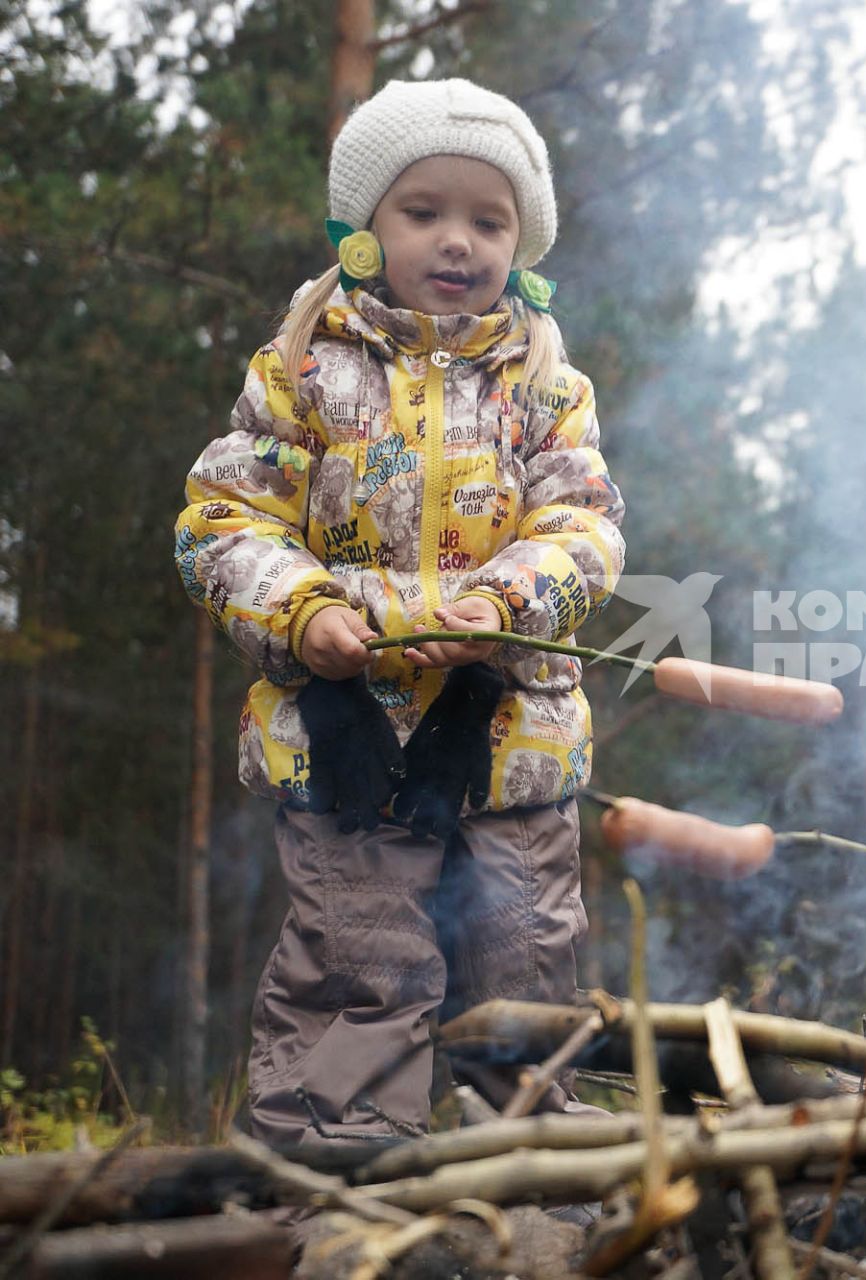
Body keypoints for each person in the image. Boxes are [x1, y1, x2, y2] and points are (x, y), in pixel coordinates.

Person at [174, 78, 625, 1152]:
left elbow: (586, 528)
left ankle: (525, 1184)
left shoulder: (546, 384)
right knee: (359, 966)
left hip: (510, 742)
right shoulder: (301, 370)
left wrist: (502, 601)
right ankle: (337, 1187)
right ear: (366, 229)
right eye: (425, 210)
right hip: (347, 744)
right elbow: (221, 519)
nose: (458, 239)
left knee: (521, 960)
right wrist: (304, 611)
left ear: (521, 242)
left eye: (489, 218)